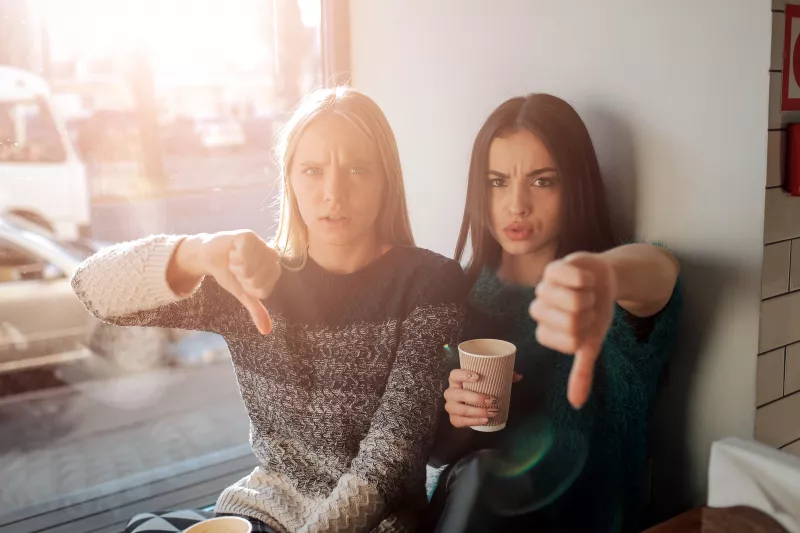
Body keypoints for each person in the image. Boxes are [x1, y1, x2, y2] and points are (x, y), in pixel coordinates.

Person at [72, 87, 466, 533]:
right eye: (313, 171)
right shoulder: (251, 278)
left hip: (376, 521)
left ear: (386, 179)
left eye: (357, 169)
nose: (333, 193)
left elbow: (394, 452)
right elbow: (92, 289)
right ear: (290, 179)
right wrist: (198, 252)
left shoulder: (430, 283)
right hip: (262, 510)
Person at [429, 94, 682, 533]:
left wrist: (602, 272)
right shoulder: (455, 298)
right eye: (497, 181)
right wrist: (455, 418)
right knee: (486, 475)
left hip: (585, 518)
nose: (517, 204)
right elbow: (437, 457)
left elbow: (659, 273)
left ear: (575, 185)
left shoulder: (604, 296)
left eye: (542, 181)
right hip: (472, 510)